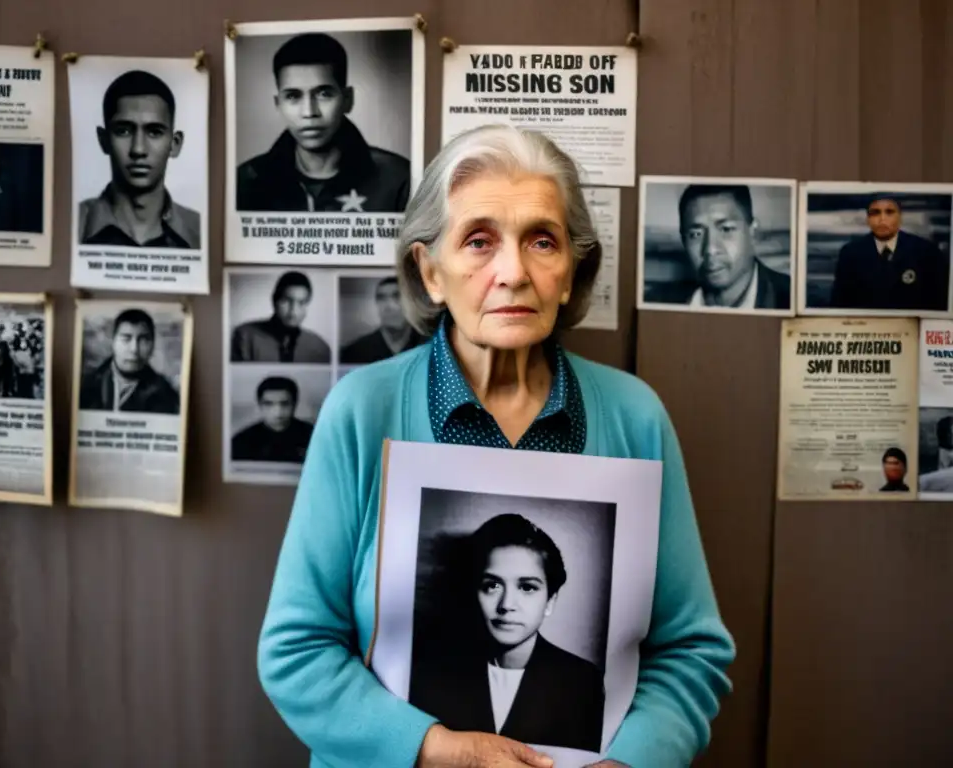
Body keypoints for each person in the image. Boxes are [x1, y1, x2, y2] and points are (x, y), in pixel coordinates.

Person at [256, 124, 735, 768]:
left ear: (571, 273)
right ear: (430, 272)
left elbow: (690, 651)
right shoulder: (361, 412)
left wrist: (633, 762)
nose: (513, 272)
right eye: (478, 241)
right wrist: (432, 750)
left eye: (542, 241)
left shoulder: (635, 417)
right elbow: (296, 651)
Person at [409, 514, 605, 753]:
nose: (507, 604)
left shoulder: (582, 683)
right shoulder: (432, 674)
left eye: (527, 587)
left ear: (550, 601)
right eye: (491, 585)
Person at [236, 32, 410, 213]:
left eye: (324, 94)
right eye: (293, 96)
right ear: (278, 104)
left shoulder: (397, 179)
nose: (309, 112)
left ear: (347, 99)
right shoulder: (247, 182)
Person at [78, 70, 201, 249]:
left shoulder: (200, 232)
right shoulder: (72, 225)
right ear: (103, 140)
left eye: (154, 132)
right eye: (123, 131)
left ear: (175, 144)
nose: (138, 149)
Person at [646, 184, 791, 309]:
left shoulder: (795, 298)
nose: (710, 249)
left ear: (753, 232)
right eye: (696, 234)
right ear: (683, 240)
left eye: (726, 229)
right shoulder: (654, 302)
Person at [829, 194, 949, 311]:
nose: (882, 219)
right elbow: (839, 303)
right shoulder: (850, 253)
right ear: (868, 219)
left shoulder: (926, 251)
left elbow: (939, 302)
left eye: (889, 212)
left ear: (900, 217)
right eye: (875, 213)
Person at [79, 308, 179, 414]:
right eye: (126, 339)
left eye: (143, 340)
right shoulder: (86, 385)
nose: (134, 349)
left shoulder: (165, 394)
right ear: (113, 342)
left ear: (153, 344)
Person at [230, 271, 331, 363]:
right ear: (274, 301)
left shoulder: (320, 347)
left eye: (301, 303)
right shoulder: (244, 337)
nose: (293, 310)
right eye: (287, 301)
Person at [341, 276, 427, 363]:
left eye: (396, 296)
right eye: (381, 298)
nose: (389, 306)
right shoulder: (355, 351)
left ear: (411, 302)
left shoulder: (428, 346)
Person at [231, 375, 314, 463]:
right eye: (268, 404)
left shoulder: (313, 436)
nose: (277, 412)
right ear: (259, 405)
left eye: (285, 404)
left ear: (295, 404)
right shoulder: (241, 442)